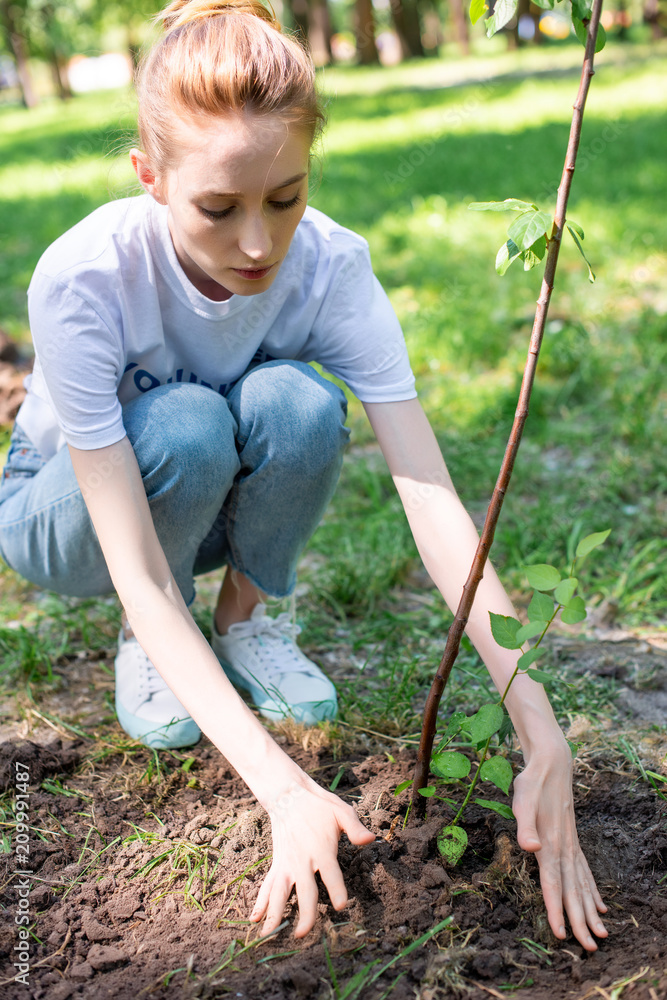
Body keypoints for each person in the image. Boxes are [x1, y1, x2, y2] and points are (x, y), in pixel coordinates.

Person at [0, 0, 608, 952]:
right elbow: (142, 569)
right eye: (218, 208)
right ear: (149, 178)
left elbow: (432, 498)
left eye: (283, 198)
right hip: (66, 513)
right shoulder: (85, 278)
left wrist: (542, 729)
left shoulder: (330, 267)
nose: (257, 245)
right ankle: (148, 654)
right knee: (189, 422)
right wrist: (285, 789)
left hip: (202, 496)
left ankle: (245, 618)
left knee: (296, 400)